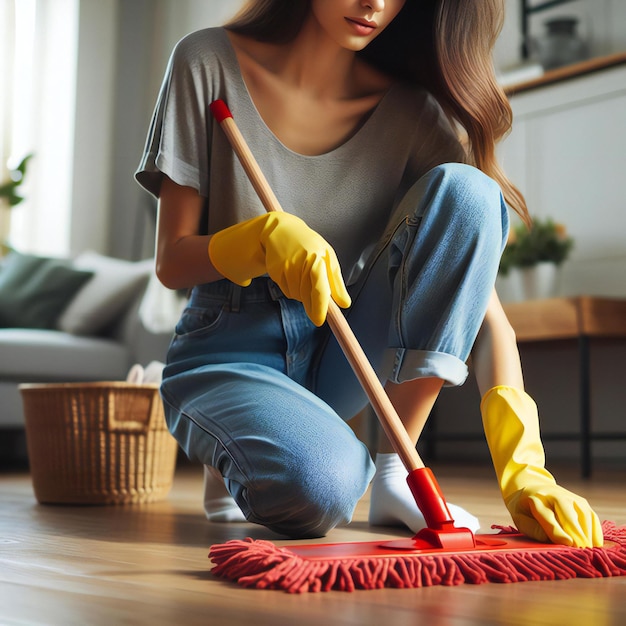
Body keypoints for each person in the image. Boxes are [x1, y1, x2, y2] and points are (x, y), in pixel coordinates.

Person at [135, 0, 602, 547]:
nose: (374, 4)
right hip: (225, 348)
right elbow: (171, 262)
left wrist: (526, 468)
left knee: (473, 194)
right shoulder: (208, 61)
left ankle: (396, 471)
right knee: (324, 488)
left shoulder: (412, 114)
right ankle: (241, 448)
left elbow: (483, 308)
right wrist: (257, 242)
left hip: (341, 342)